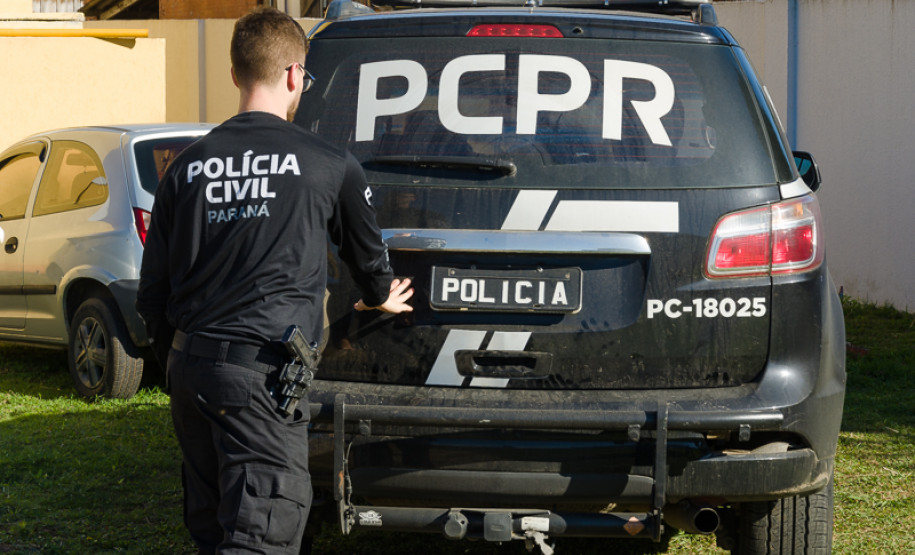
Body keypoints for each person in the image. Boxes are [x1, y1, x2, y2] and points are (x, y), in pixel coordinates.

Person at [136, 7, 413, 554]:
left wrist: (178, 359)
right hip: (260, 381)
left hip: (191, 374)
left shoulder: (185, 170)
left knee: (215, 530)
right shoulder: (329, 163)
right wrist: (381, 297)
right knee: (261, 536)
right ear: (294, 76)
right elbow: (369, 258)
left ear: (236, 75)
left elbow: (152, 294)